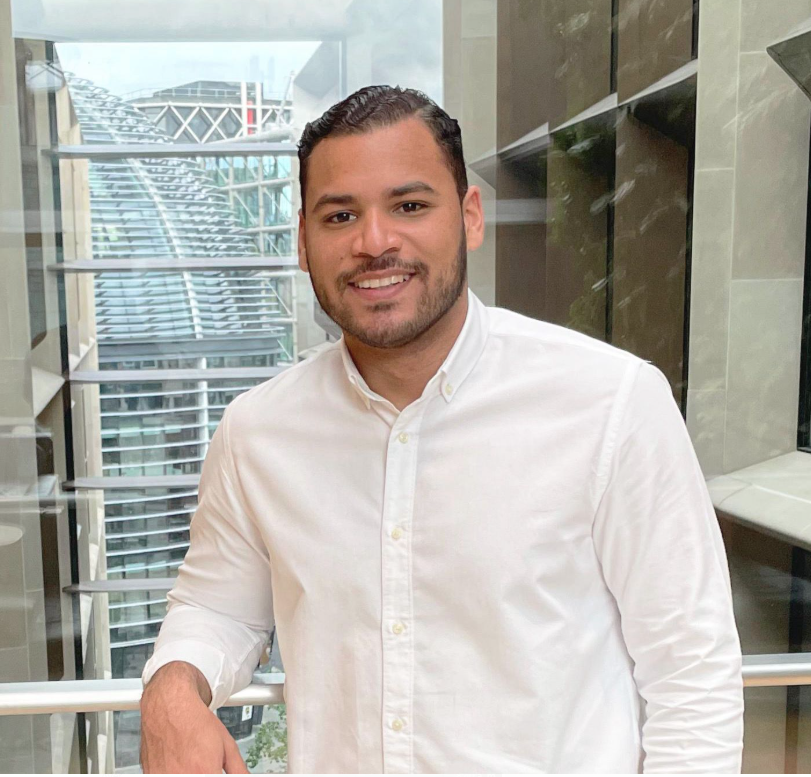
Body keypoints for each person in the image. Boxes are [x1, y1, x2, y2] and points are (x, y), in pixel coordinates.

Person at [139, 85, 744, 774]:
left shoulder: (612, 403)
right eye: (341, 215)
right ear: (304, 241)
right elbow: (217, 607)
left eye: (410, 206)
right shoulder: (258, 431)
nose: (374, 242)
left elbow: (691, 673)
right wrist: (171, 689)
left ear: (470, 216)